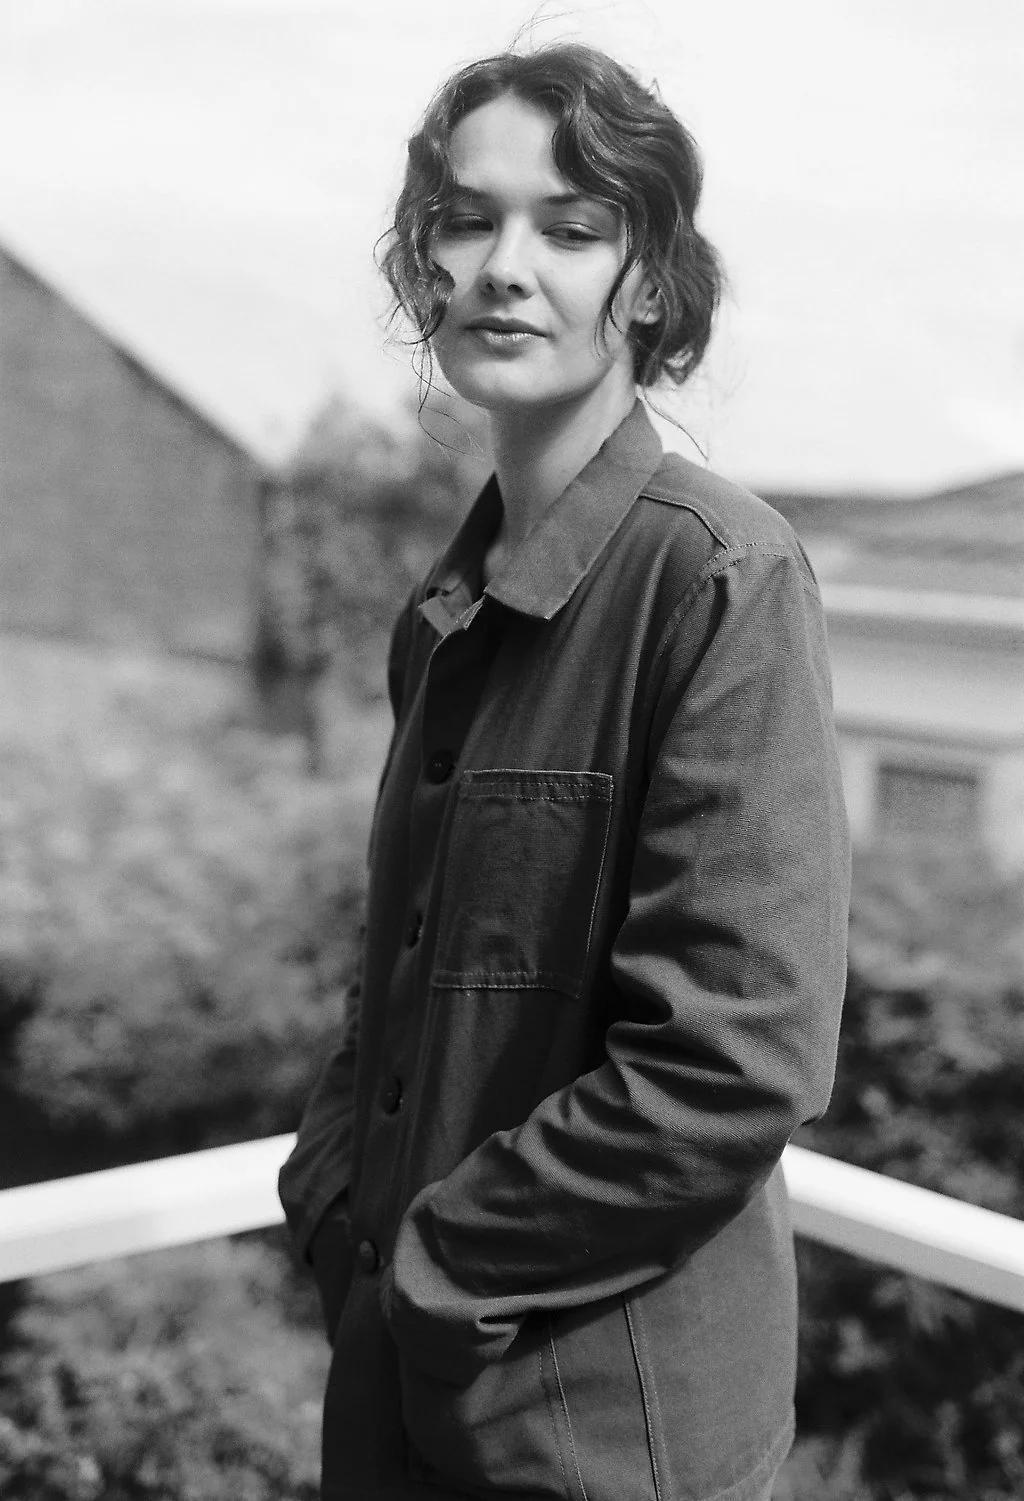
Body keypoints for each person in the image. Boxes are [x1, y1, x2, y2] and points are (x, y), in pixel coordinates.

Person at [279, 41, 851, 1501]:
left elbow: (735, 1058)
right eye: (467, 221)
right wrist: (335, 1199)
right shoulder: (446, 606)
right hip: (397, 1400)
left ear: (649, 280)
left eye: (572, 227)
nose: (503, 267)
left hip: (600, 1440)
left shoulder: (719, 575)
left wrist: (438, 1266)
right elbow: (399, 976)